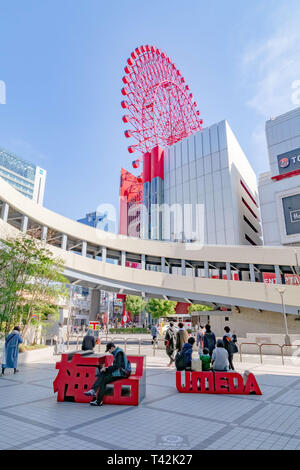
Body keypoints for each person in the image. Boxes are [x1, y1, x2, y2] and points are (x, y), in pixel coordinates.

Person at [84, 342, 129, 406]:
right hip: (118, 372)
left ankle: (98, 399)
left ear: (112, 348)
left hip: (121, 373)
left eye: (109, 350)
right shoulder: (117, 352)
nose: (109, 352)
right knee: (102, 373)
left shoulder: (119, 353)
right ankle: (93, 390)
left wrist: (107, 369)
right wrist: (106, 369)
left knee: (103, 381)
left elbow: (117, 366)